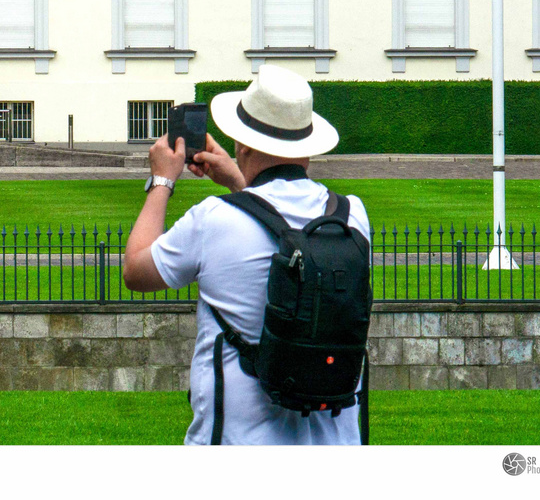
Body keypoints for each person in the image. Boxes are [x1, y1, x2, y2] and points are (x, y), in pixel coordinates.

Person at [121, 65, 371, 445]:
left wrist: (162, 180)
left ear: (244, 144)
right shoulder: (352, 217)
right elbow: (283, 229)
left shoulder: (214, 220)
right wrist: (241, 182)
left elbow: (136, 270)